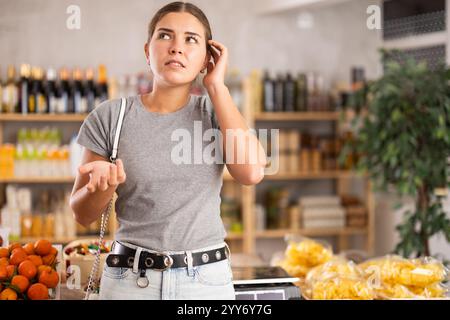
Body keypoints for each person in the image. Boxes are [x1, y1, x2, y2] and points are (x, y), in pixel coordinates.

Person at [70, 1, 267, 300]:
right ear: (148, 51)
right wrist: (101, 188)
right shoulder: (111, 116)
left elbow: (251, 172)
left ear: (206, 59)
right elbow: (82, 213)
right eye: (165, 36)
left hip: (206, 282)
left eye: (191, 39)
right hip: (129, 281)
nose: (176, 47)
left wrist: (217, 86)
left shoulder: (217, 113)